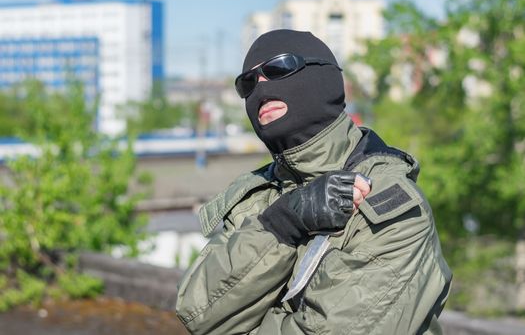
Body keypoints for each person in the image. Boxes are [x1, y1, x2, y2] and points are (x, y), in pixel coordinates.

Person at [176, 29, 452, 334]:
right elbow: (197, 313)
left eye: (278, 68)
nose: (261, 87)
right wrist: (282, 224)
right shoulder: (257, 198)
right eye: (248, 83)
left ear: (324, 78)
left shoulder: (389, 199)